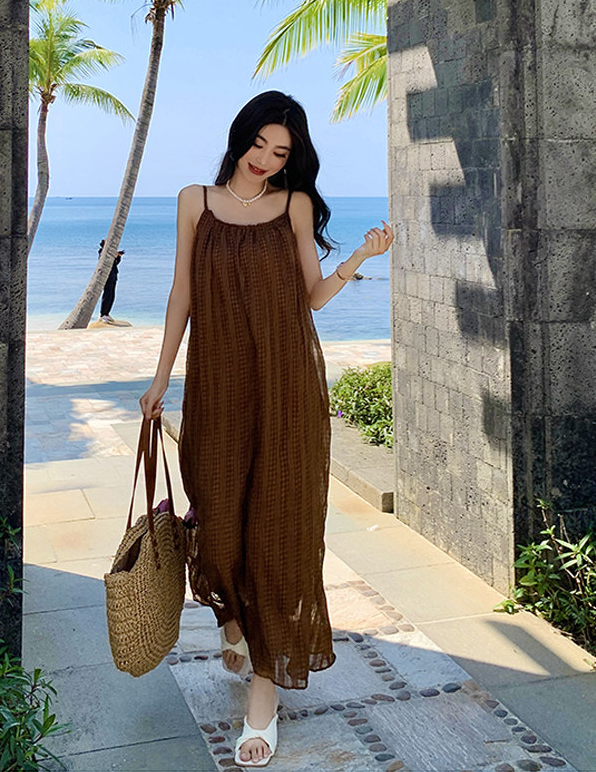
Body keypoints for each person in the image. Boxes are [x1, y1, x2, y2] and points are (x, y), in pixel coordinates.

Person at [139, 91, 393, 767]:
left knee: (276, 535)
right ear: (240, 136)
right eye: (259, 145)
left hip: (286, 391)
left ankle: (264, 689)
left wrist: (358, 258)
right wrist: (161, 379)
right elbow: (182, 294)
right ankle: (231, 617)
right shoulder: (194, 201)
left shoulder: (294, 206)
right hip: (219, 390)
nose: (265, 160)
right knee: (217, 524)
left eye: (280, 153)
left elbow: (311, 296)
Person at [97, 239, 124, 324]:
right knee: (107, 295)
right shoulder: (102, 252)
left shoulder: (112, 252)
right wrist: (114, 256)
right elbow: (104, 261)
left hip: (113, 275)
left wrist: (118, 257)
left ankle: (107, 313)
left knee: (112, 295)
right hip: (107, 276)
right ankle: (103, 314)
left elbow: (115, 263)